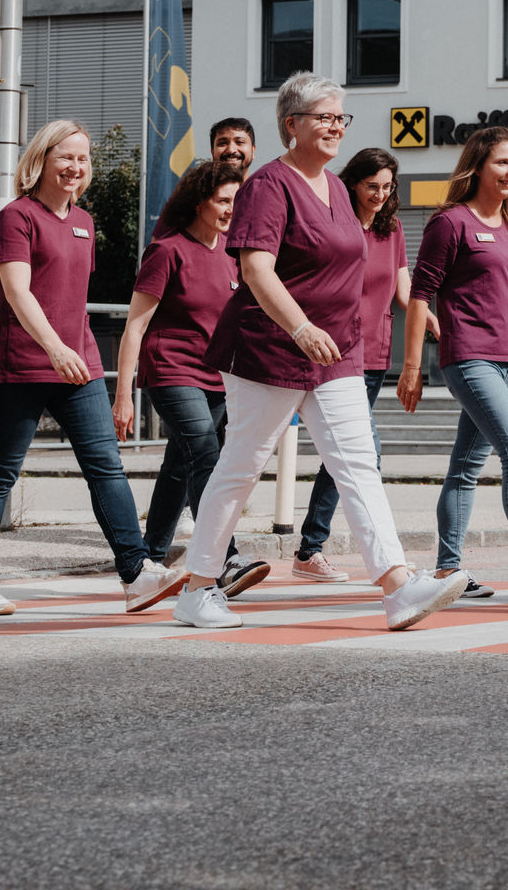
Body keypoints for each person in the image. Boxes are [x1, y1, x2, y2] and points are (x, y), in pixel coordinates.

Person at [170, 73, 468, 632]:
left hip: (336, 354)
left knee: (358, 465)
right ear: (292, 125)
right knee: (241, 466)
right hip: (268, 349)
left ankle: (398, 587)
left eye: (341, 118)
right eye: (324, 118)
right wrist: (301, 327)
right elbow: (255, 267)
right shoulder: (268, 186)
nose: (336, 127)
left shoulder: (335, 187)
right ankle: (199, 588)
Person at [0, 119, 185, 617]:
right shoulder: (15, 218)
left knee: (106, 466)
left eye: (83, 158)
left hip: (77, 365)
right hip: (18, 365)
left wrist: (74, 352)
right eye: (66, 156)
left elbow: (72, 298)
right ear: (41, 160)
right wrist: (55, 348)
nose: (75, 167)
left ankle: (136, 573)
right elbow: (16, 293)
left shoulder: (84, 222)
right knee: (0, 472)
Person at [399, 126, 508, 601]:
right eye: (503, 162)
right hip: (469, 357)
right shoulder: (449, 222)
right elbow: (419, 296)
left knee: (466, 466)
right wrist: (411, 368)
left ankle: (447, 571)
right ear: (478, 166)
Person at [112, 158, 268, 598]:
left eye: (236, 202)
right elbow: (135, 327)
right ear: (200, 202)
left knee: (180, 467)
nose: (230, 210)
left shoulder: (232, 255)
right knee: (206, 455)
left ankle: (149, 562)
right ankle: (225, 559)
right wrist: (123, 395)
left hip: (218, 376)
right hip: (172, 370)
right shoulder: (167, 250)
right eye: (223, 201)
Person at [290, 146, 433, 584]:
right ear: (352, 183)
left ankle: (309, 550)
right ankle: (372, 562)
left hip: (373, 356)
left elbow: (405, 292)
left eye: (388, 188)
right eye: (372, 186)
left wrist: (437, 326)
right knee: (362, 454)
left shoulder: (392, 232)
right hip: (332, 352)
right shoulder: (339, 226)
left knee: (347, 455)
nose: (380, 195)